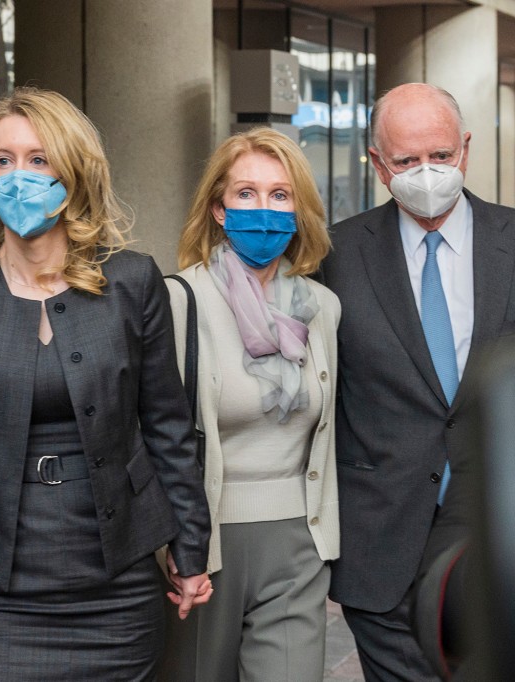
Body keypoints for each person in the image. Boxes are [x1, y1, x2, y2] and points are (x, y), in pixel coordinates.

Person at [0, 86, 212, 681]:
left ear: (73, 171)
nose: (18, 175)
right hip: (0, 592)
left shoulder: (130, 281)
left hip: (120, 586)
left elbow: (168, 428)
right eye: (3, 160)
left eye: (39, 159)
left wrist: (191, 550)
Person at [321, 82, 515, 682]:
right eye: (406, 161)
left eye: (440, 154)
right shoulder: (336, 253)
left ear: (466, 150)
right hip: (381, 543)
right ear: (378, 164)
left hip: (498, 532)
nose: (426, 172)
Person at [162, 126, 339, 681]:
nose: (264, 209)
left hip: (298, 545)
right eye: (245, 194)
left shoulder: (323, 309)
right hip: (203, 547)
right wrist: (174, 547)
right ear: (218, 209)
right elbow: (154, 436)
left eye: (280, 195)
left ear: (299, 210)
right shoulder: (177, 301)